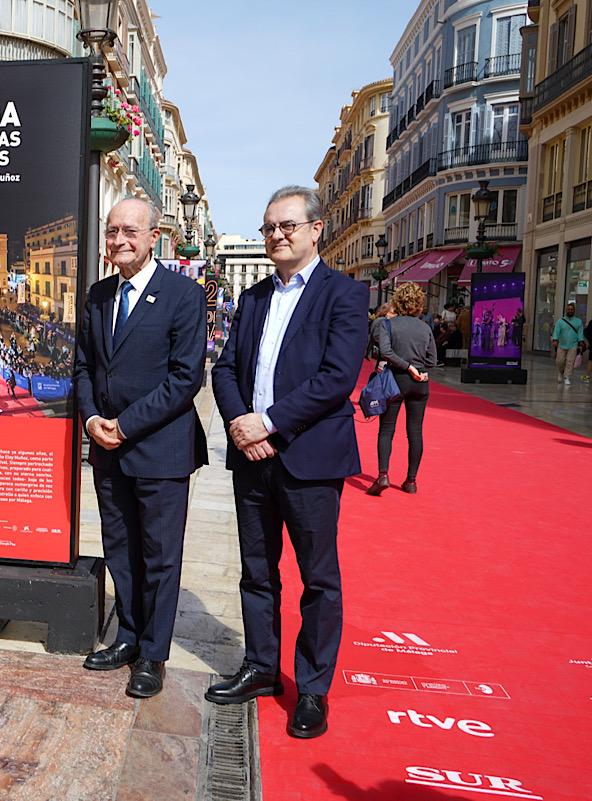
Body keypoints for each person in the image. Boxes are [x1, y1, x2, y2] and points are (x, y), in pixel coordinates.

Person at [207, 186, 368, 739]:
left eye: (288, 225)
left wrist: (268, 421)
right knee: (258, 569)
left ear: (316, 228)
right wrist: (240, 424)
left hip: (310, 458)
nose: (276, 235)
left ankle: (314, 690)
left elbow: (337, 378)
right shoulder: (252, 299)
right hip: (252, 458)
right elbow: (224, 369)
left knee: (318, 578)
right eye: (269, 226)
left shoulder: (343, 295)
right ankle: (260, 665)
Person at [73, 198, 208, 699]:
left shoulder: (183, 295)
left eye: (130, 231)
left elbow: (185, 378)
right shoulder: (98, 294)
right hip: (107, 448)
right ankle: (127, 637)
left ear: (155, 236)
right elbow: (84, 366)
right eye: (111, 231)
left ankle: (153, 652)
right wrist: (91, 419)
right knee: (120, 548)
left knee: (159, 555)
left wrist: (125, 425)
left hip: (160, 448)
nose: (118, 240)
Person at [366, 283, 436, 497]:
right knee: (415, 431)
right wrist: (417, 368)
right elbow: (432, 360)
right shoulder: (425, 327)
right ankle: (411, 481)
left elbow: (385, 351)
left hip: (395, 381)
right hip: (419, 383)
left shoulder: (389, 325)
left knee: (387, 429)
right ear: (418, 305)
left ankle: (383, 475)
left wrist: (406, 366)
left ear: (397, 302)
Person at [551, 301, 583, 385]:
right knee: (559, 361)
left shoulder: (578, 321)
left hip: (573, 345)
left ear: (574, 311)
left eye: (572, 309)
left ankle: (567, 377)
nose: (570, 311)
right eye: (568, 309)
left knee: (570, 361)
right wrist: (555, 340)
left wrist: (580, 341)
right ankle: (560, 372)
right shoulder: (560, 321)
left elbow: (580, 332)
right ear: (566, 310)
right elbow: (556, 331)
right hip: (561, 344)